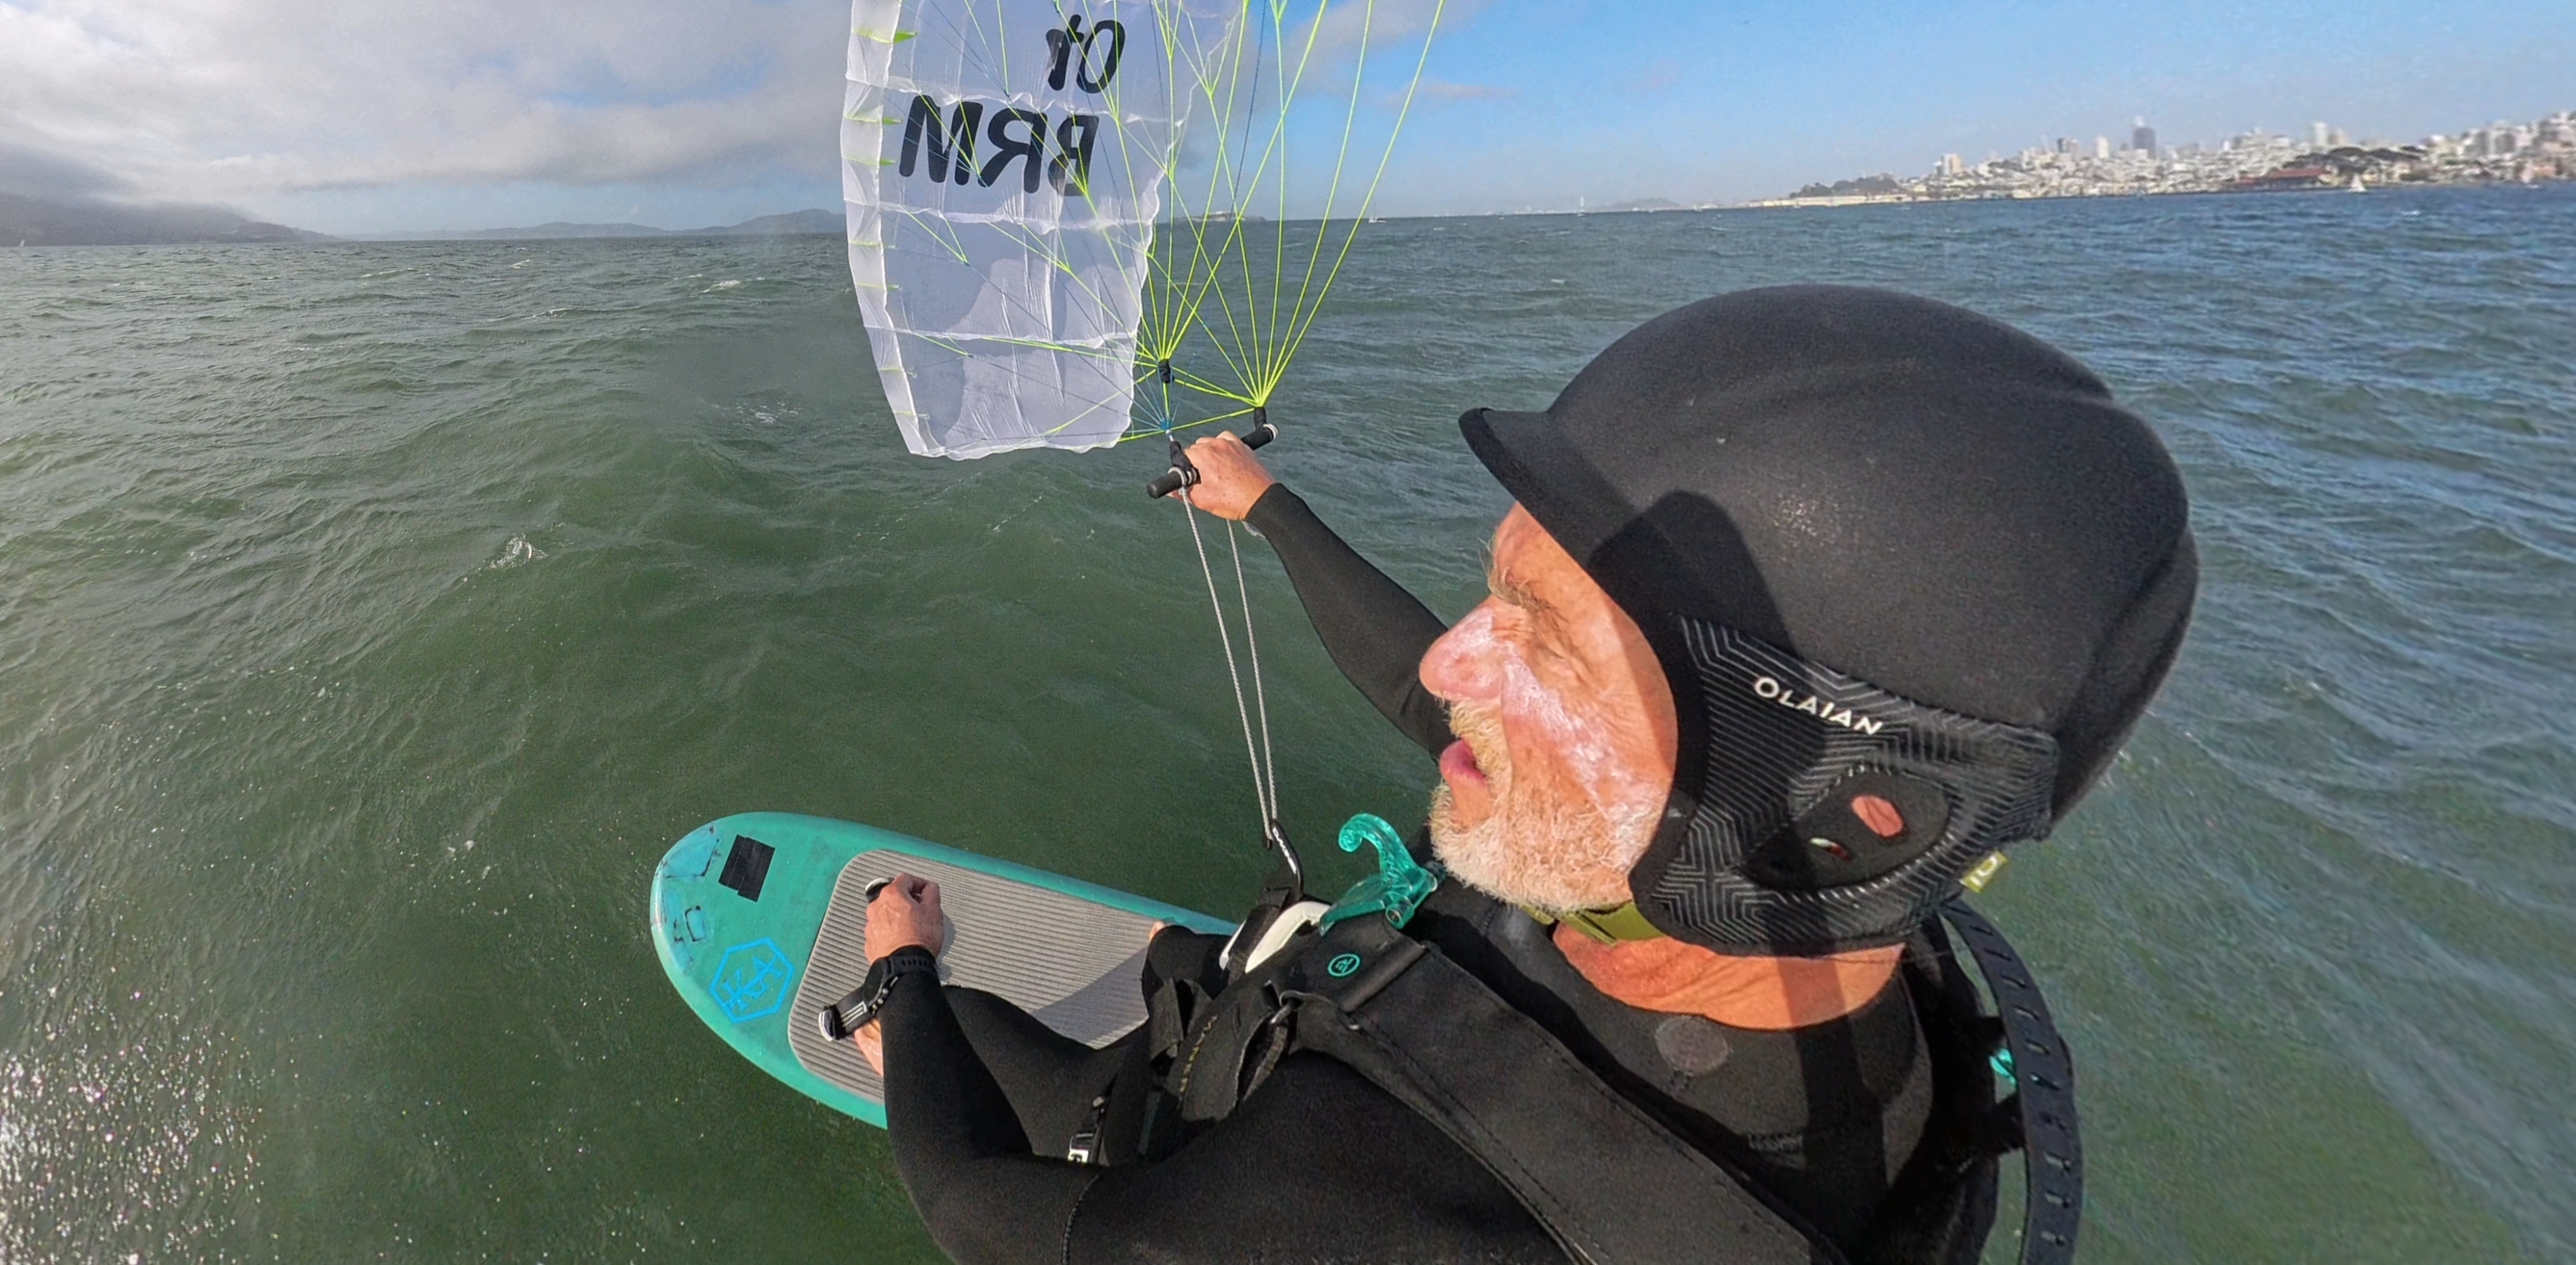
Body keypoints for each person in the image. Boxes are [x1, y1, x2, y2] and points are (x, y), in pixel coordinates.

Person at [853, 285, 2198, 1264]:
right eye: (1499, 600)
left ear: (1830, 806)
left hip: (1177, 1149)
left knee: (950, 1023)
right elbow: (1430, 691)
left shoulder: (1352, 1221)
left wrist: (903, 967)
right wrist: (1269, 509)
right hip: (1282, 1049)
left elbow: (975, 1213)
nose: (1454, 671)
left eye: (1544, 642)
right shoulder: (1845, 945)